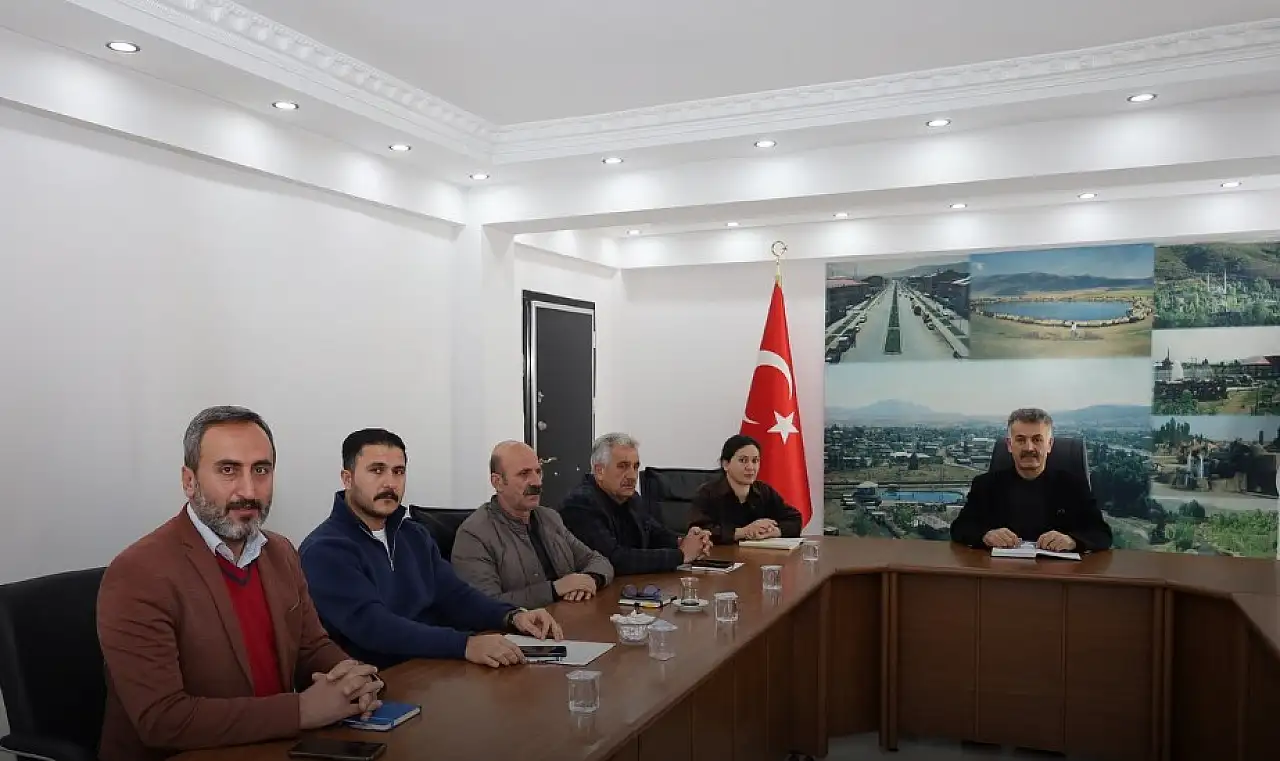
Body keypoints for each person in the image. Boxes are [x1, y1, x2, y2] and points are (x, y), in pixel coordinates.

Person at [97, 406, 384, 761]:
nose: (248, 490)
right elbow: (162, 720)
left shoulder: (280, 552)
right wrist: (301, 711)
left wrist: (355, 679)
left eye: (261, 470)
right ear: (189, 481)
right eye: (228, 470)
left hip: (275, 747)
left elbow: (311, 648)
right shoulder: (138, 573)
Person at [299, 429, 562, 671]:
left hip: (434, 668)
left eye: (398, 472)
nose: (390, 483)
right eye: (377, 471)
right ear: (347, 479)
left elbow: (455, 595)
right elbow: (374, 627)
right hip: (378, 684)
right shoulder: (324, 550)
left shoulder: (413, 535)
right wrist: (465, 645)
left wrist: (512, 616)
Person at [452, 441, 615, 607]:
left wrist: (590, 579)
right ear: (497, 482)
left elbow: (597, 560)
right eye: (524, 474)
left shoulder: (550, 518)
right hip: (523, 623)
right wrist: (554, 589)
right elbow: (482, 606)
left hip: (569, 615)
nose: (537, 482)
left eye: (538, 472)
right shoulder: (474, 535)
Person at [950, 408, 1112, 552]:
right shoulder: (985, 485)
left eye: (1037, 439)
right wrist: (985, 535)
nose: (1029, 448)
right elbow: (959, 528)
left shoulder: (1073, 486)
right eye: (1021, 440)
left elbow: (1102, 534)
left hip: (1057, 573)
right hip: (1001, 572)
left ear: (1049, 445)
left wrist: (1073, 541)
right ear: (1009, 445)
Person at [560, 433, 712, 575]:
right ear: (599, 471)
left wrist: (685, 541)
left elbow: (654, 533)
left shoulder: (632, 498)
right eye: (623, 466)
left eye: (635, 466)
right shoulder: (580, 504)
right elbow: (613, 559)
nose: (632, 476)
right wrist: (681, 555)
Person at [688, 434, 804, 544]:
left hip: (758, 556)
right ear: (726, 464)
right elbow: (698, 531)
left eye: (755, 461)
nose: (750, 467)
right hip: (720, 556)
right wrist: (743, 532)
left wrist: (773, 531)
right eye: (743, 460)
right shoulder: (707, 493)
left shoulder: (764, 491)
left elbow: (795, 519)